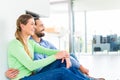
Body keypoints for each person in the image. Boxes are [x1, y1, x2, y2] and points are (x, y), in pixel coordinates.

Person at [6, 13, 105, 80]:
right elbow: (31, 65)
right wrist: (56, 56)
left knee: (60, 62)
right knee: (62, 72)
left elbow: (48, 51)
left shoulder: (31, 43)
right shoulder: (15, 44)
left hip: (33, 76)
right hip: (24, 79)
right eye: (32, 24)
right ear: (22, 26)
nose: (34, 27)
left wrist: (64, 54)